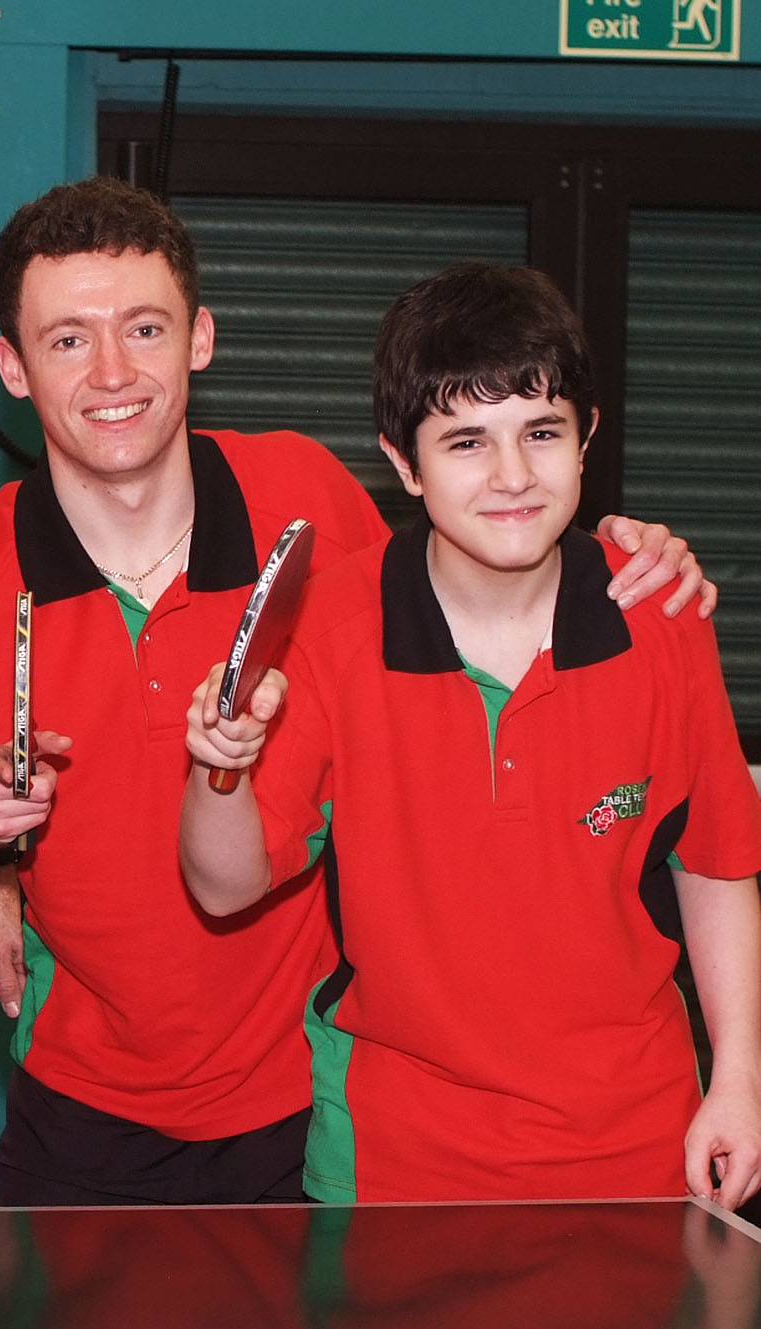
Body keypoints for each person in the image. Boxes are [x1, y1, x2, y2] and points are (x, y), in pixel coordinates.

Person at [0, 177, 712, 1207]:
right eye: (66, 340)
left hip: (318, 1103)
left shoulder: (310, 502)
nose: (112, 372)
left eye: (144, 327)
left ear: (200, 339)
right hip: (83, 1113)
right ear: (9, 366)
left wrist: (627, 556)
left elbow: (492, 538)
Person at [179, 262, 761, 1207]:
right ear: (402, 464)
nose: (512, 476)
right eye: (465, 442)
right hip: (393, 1163)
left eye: (542, 432)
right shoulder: (328, 628)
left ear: (587, 440)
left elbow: (716, 865)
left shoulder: (663, 615)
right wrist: (218, 770)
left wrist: (741, 1078)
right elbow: (223, 883)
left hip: (639, 1153)